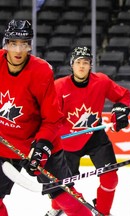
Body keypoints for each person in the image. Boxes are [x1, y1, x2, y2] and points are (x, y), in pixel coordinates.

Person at [0, 20, 93, 216]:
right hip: (4, 142)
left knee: (64, 194)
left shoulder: (41, 71)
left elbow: (52, 118)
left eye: (24, 43)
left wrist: (42, 145)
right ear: (5, 43)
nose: (18, 49)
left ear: (30, 45)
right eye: (14, 43)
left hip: (36, 141)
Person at [45, 46, 130, 216]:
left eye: (86, 62)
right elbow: (49, 115)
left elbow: (123, 95)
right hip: (67, 140)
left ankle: (104, 211)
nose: (82, 66)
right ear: (72, 65)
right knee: (63, 183)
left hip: (95, 136)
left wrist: (120, 111)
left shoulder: (101, 81)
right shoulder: (59, 86)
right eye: (78, 62)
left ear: (91, 65)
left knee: (110, 178)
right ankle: (57, 208)